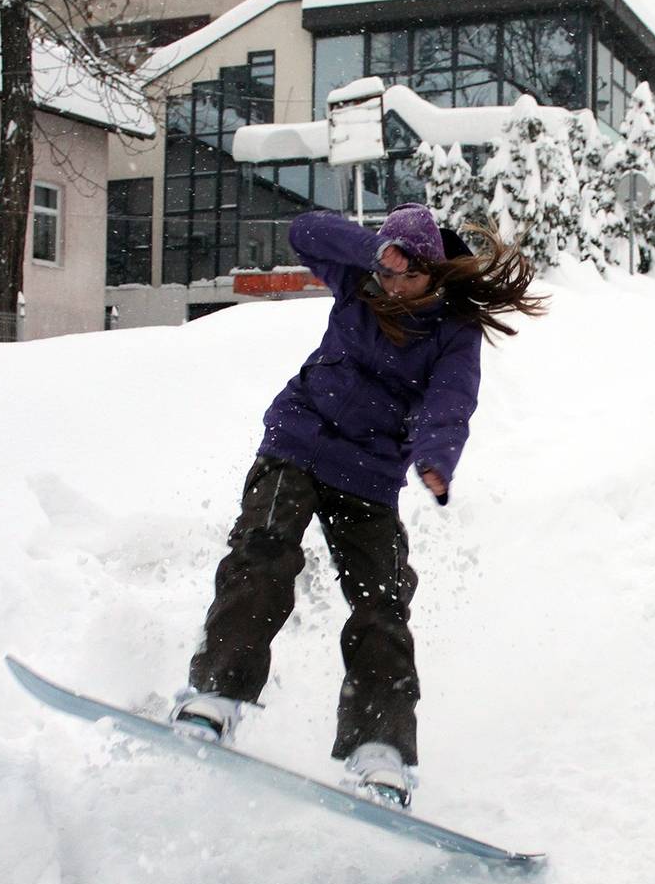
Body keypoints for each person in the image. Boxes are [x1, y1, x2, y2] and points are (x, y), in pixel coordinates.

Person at [172, 203, 546, 806]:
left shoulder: (453, 329)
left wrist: (435, 458)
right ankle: (217, 693)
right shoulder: (357, 282)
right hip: (296, 443)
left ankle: (380, 747)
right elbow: (305, 233)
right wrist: (373, 251)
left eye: (409, 276)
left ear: (433, 272)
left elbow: (450, 402)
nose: (394, 287)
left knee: (382, 603)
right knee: (263, 552)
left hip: (369, 473)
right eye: (387, 274)